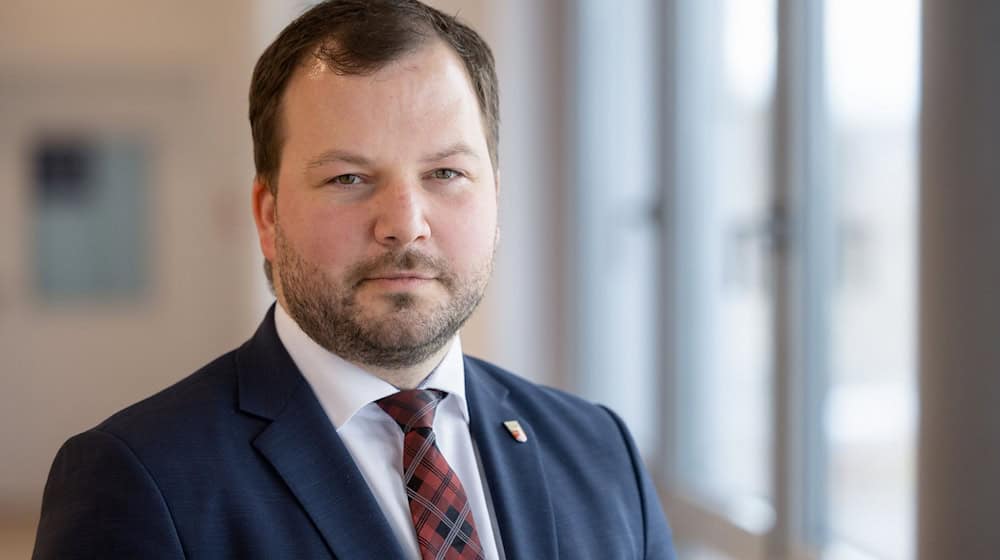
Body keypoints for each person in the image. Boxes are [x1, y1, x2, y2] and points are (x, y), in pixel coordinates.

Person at [33, 1, 677, 558]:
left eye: (446, 174)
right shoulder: (141, 478)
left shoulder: (599, 450)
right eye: (348, 178)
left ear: (496, 199)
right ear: (267, 214)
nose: (404, 225)